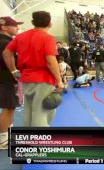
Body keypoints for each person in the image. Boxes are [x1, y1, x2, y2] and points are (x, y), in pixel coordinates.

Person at [3, 11, 64, 127]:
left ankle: (29, 140)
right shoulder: (48, 38)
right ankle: (40, 143)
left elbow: (7, 52)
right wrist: (59, 81)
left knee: (29, 111)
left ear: (32, 22)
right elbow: (51, 61)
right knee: (42, 112)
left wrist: (14, 70)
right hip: (44, 79)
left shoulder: (20, 36)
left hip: (26, 78)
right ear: (50, 24)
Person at [0, 16, 23, 149]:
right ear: (4, 27)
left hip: (5, 79)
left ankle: (7, 134)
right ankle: (3, 139)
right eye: (14, 25)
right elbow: (6, 56)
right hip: (6, 79)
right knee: (8, 108)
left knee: (10, 107)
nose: (17, 28)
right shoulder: (5, 42)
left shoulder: (5, 40)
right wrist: (14, 71)